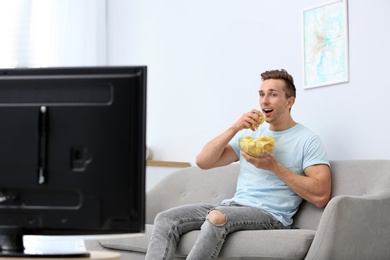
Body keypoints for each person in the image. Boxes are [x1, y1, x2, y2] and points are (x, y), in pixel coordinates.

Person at [145, 69, 331, 260]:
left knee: (217, 217)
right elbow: (203, 161)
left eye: (273, 94)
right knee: (165, 219)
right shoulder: (250, 134)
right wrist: (235, 127)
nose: (264, 101)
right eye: (261, 94)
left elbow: (321, 195)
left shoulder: (307, 140)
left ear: (290, 101)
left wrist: (274, 166)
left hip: (271, 215)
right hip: (233, 206)